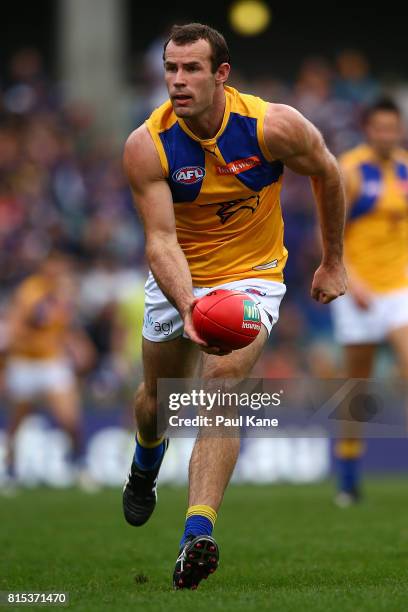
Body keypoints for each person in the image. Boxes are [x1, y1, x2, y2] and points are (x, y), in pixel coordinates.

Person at [122, 23, 346, 590]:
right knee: (157, 403)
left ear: (222, 74)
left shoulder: (274, 126)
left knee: (222, 383)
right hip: (182, 278)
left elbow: (327, 171)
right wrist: (190, 304)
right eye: (171, 69)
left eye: (191, 69)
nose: (178, 81)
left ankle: (198, 531)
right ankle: (147, 457)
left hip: (252, 276)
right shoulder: (147, 144)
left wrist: (333, 261)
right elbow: (160, 242)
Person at [331, 98, 408, 506]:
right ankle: (347, 474)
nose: (386, 135)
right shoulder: (351, 170)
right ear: (367, 129)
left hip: (399, 289)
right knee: (356, 387)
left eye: (392, 128)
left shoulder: (405, 168)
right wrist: (352, 280)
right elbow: (331, 232)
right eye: (379, 128)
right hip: (358, 290)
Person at [3, 251, 94, 489]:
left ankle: (79, 465)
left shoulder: (64, 294)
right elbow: (20, 324)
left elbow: (65, 326)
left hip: (52, 362)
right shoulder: (31, 291)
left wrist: (76, 344)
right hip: (25, 362)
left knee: (70, 419)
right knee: (17, 422)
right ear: (47, 267)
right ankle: (11, 471)